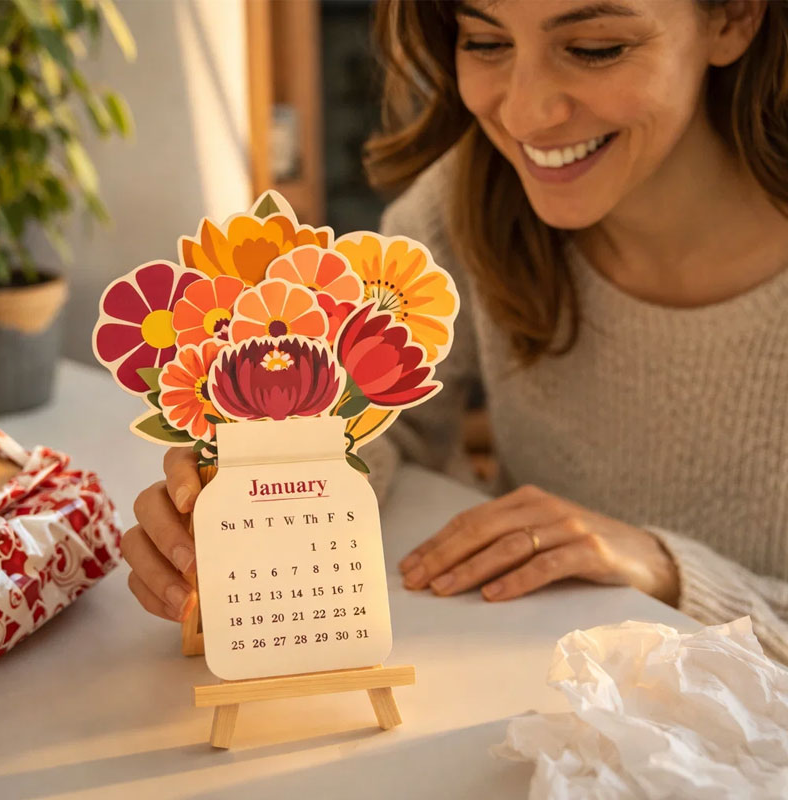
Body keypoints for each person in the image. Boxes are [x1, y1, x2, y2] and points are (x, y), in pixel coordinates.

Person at [122, 0, 788, 662]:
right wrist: (264, 482)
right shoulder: (465, 203)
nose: (524, 114)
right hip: (531, 685)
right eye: (486, 42)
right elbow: (385, 423)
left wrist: (669, 570)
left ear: (733, 18)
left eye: (595, 49)